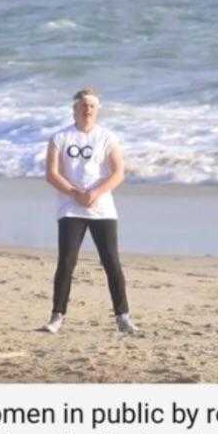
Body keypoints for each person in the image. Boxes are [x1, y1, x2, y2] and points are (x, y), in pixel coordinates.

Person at [43, 88, 138, 336]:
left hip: (102, 208)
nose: (87, 110)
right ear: (74, 109)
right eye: (83, 106)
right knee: (66, 262)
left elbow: (118, 173)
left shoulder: (107, 137)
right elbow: (52, 174)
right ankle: (57, 316)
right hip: (70, 208)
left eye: (92, 106)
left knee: (111, 262)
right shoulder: (60, 137)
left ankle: (123, 317)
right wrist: (75, 193)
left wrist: (95, 193)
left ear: (97, 110)